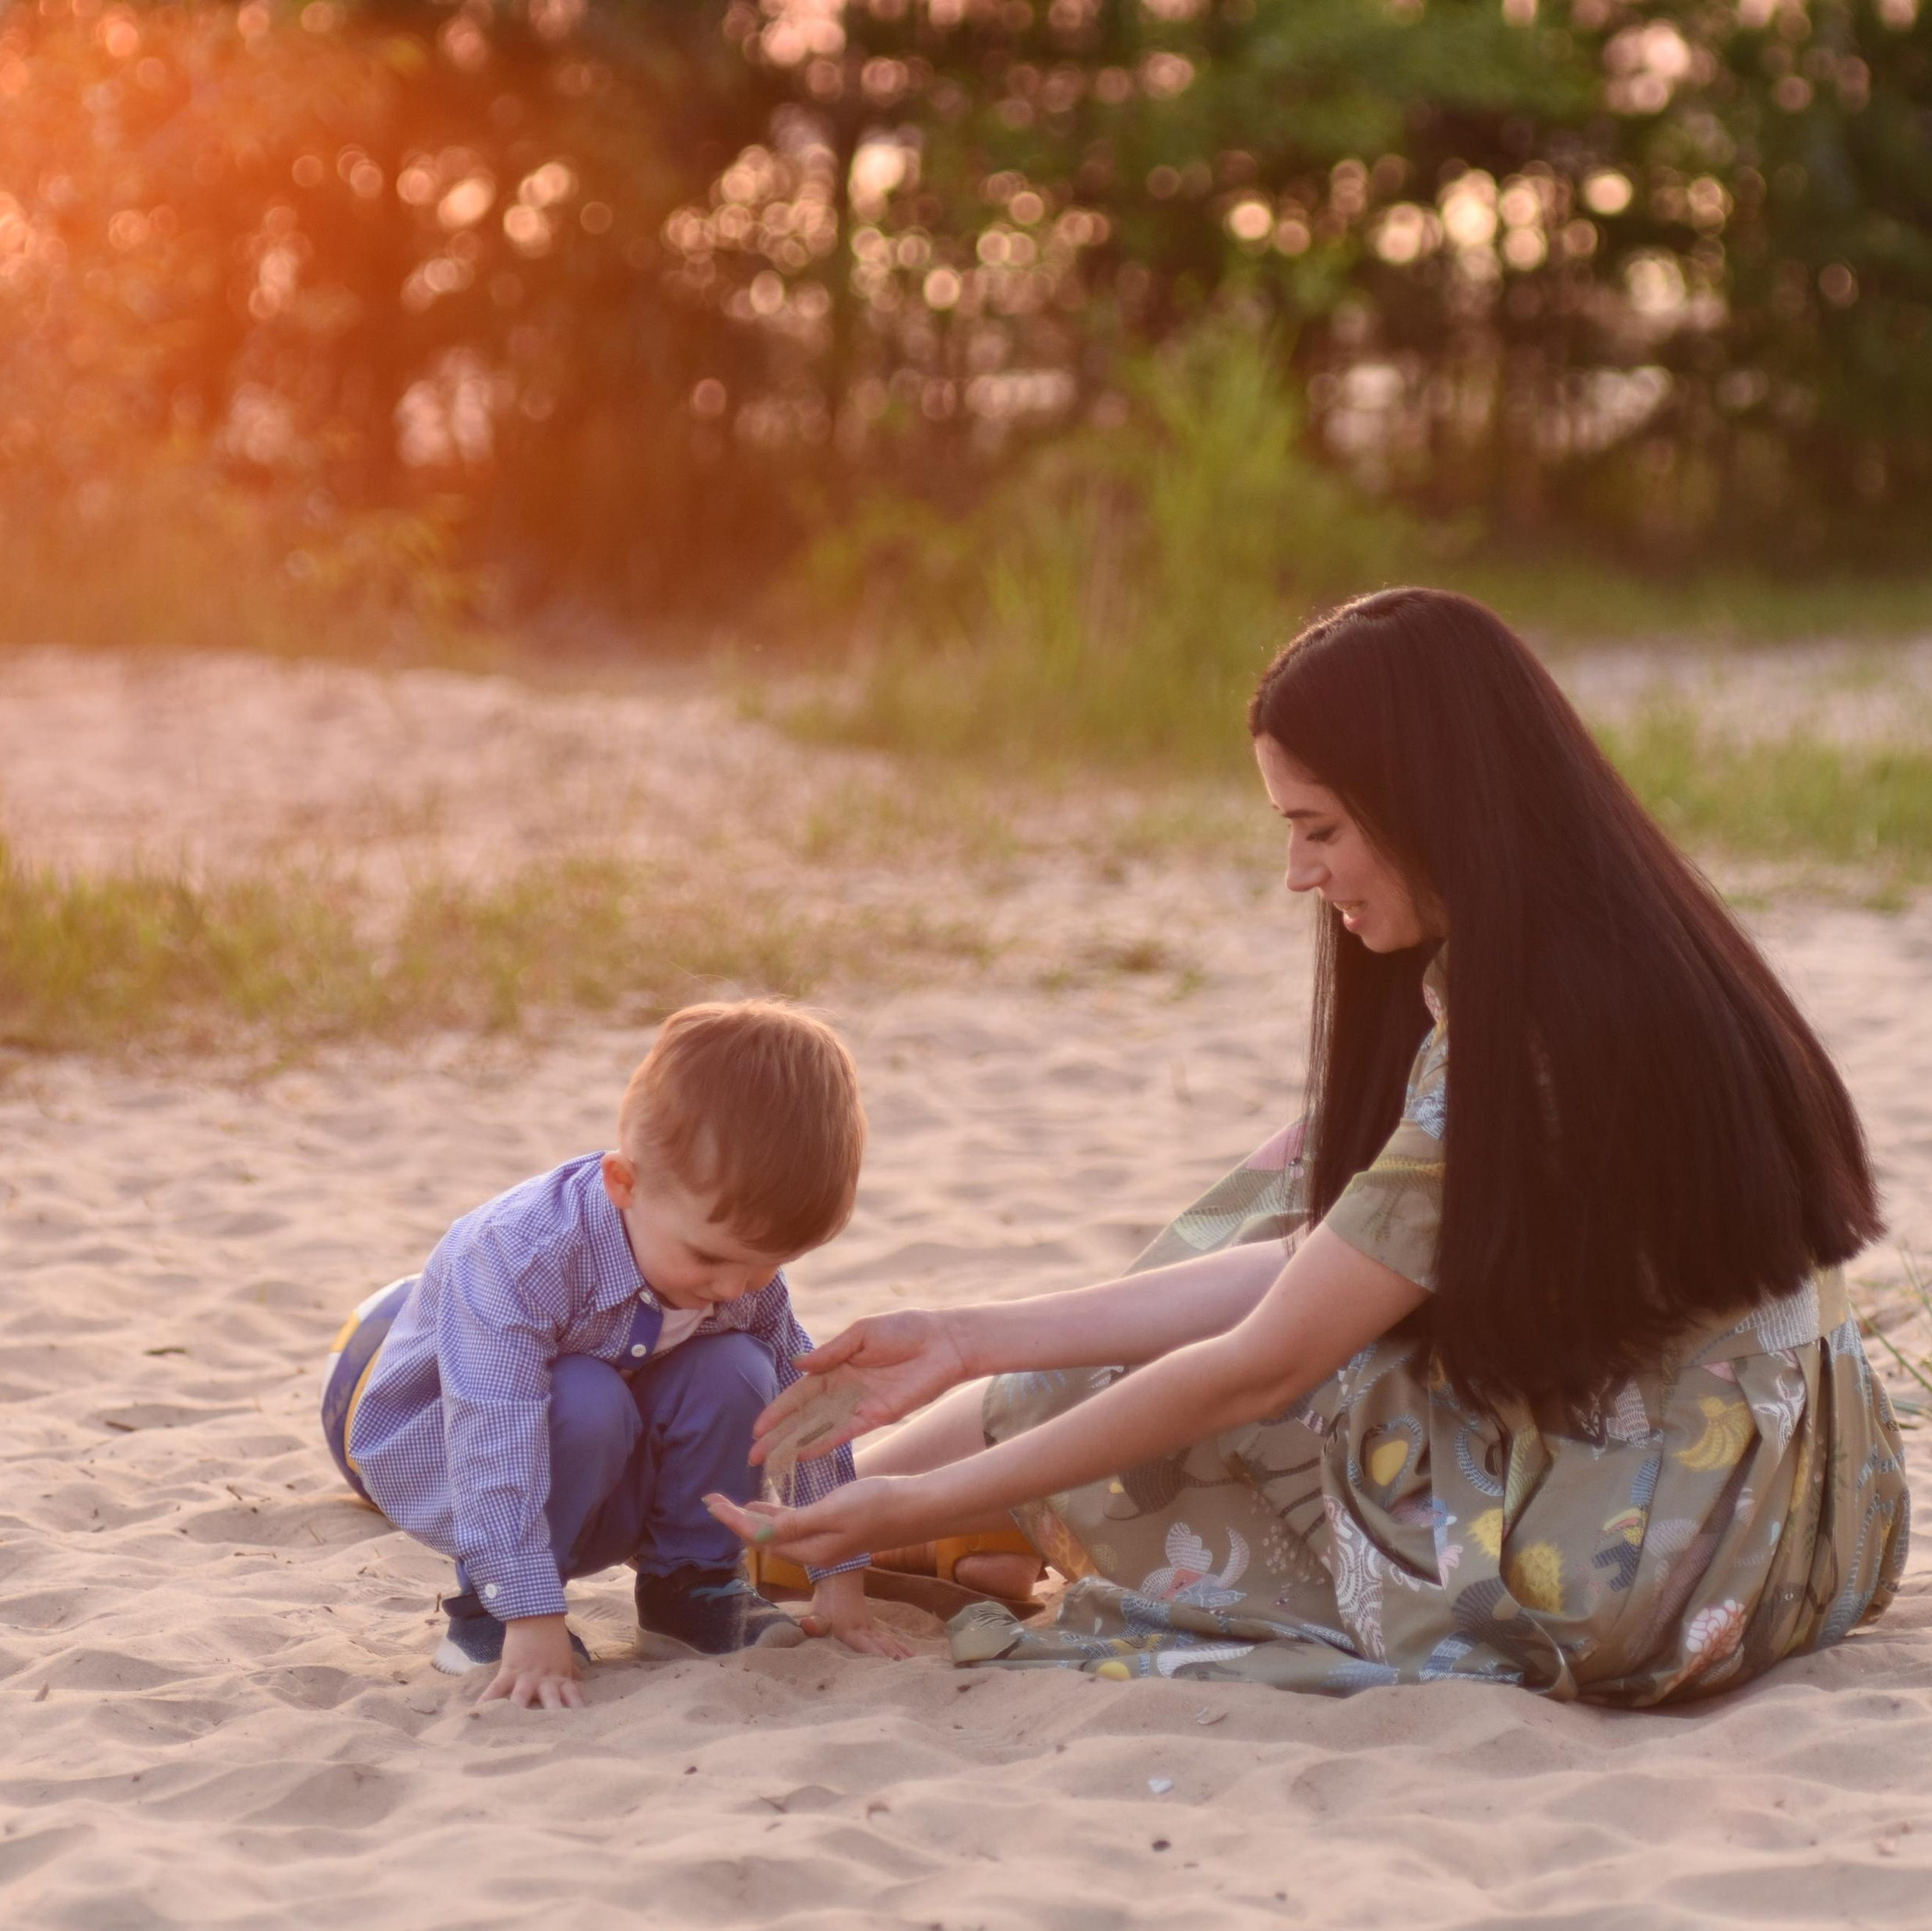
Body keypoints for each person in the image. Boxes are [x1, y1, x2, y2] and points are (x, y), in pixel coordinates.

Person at [715, 589, 1910, 1703]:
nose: (1298, 873)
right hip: (1813, 1521)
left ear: (1430, 801)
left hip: (1646, 1573)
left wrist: (914, 1490)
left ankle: (873, 1515)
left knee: (1247, 1364)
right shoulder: (1628, 941)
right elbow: (1325, 1261)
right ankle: (897, 1512)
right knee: (1297, 1203)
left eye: (1320, 828)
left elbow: (1266, 1364)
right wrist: (968, 1338)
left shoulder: (1530, 1045)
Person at [321, 999, 910, 1710]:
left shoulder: (730, 1269)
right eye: (711, 1260)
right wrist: (529, 1615)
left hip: (619, 1468)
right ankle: (485, 1613)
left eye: (762, 1268)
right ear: (622, 1183)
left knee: (741, 1368)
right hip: (467, 1469)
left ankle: (690, 1588)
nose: (732, 1288)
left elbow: (805, 1410)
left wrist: (840, 1578)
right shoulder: (519, 1256)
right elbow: (491, 1431)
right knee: (584, 1393)